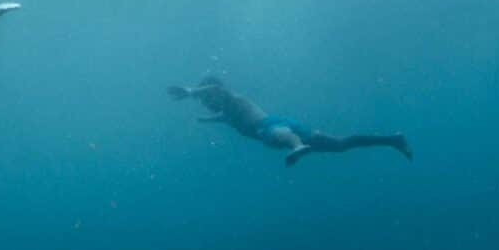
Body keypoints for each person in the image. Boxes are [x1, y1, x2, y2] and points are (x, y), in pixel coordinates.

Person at [167, 76, 413, 167]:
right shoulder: (224, 114)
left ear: (216, 93)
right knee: (341, 144)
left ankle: (297, 147)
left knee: (278, 135)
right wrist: (202, 119)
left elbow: (217, 88)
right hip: (282, 125)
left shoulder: (233, 99)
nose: (206, 102)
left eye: (207, 98)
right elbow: (214, 117)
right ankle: (392, 139)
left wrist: (190, 91)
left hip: (271, 126)